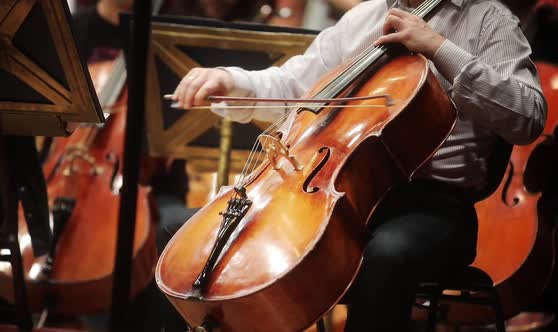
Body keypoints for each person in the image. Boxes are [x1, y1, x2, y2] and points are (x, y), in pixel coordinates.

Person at [171, 0, 548, 330]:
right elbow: (296, 87)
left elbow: (528, 115)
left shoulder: (489, 20)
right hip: (344, 195)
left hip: (435, 207)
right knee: (198, 246)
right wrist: (229, 80)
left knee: (384, 256)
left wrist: (438, 47)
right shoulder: (364, 18)